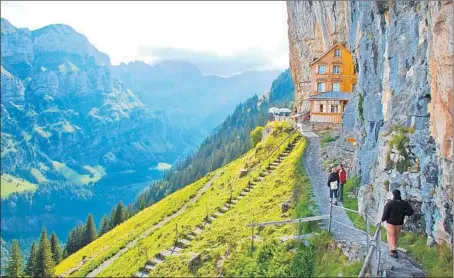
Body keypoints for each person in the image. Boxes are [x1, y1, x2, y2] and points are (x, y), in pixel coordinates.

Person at [381, 189, 414, 258]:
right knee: (396, 236)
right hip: (399, 222)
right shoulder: (404, 203)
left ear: (393, 195)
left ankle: (393, 251)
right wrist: (404, 213)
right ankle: (393, 248)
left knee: (391, 235)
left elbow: (385, 213)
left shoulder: (390, 203)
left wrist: (382, 220)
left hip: (390, 222)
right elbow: (411, 212)